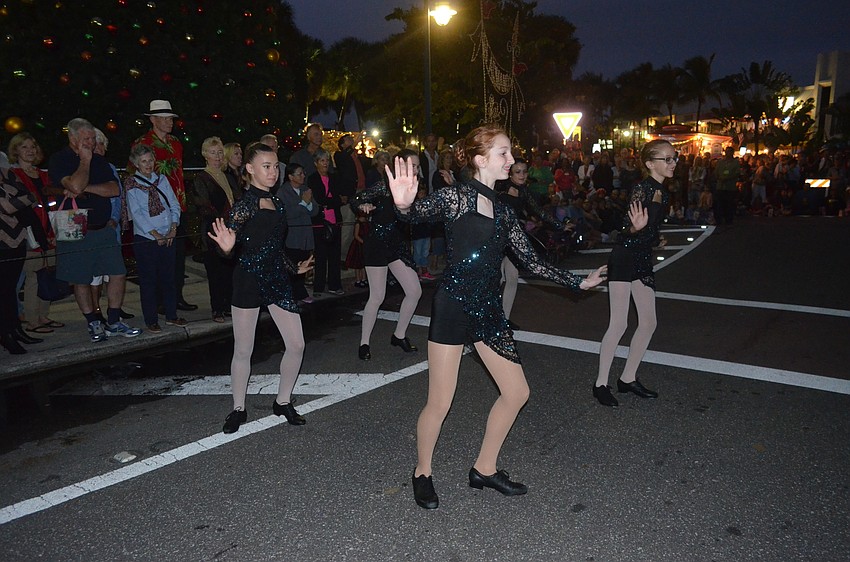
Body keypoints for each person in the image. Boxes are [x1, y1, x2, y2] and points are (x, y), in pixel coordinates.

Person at [387, 125, 607, 509]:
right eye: (503, 153)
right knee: (440, 402)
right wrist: (403, 205)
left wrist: (576, 282)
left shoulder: (504, 210)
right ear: (479, 159)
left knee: (518, 392)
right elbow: (415, 214)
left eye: (510, 153)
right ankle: (422, 471)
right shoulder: (455, 197)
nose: (511, 160)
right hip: (454, 306)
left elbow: (530, 259)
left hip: (488, 310)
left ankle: (484, 468)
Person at [207, 143, 314, 434]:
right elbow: (226, 241)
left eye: (275, 166)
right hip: (248, 279)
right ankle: (238, 408)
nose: (273, 172)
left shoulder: (278, 204)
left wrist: (294, 269)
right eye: (266, 166)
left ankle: (283, 401)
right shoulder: (245, 205)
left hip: (276, 278)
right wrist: (226, 250)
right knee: (243, 349)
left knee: (297, 344)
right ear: (250, 170)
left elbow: (275, 248)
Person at [593, 139, 672, 408]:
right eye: (667, 159)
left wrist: (654, 237)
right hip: (624, 256)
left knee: (649, 322)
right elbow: (626, 228)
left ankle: (627, 378)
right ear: (650, 164)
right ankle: (600, 383)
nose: (673, 163)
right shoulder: (642, 188)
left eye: (674, 159)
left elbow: (651, 225)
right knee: (619, 323)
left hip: (642, 258)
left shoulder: (664, 190)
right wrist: (637, 230)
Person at [48, 118, 141, 342]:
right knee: (81, 278)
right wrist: (85, 162)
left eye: (92, 138)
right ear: (72, 138)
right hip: (75, 226)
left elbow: (112, 189)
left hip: (103, 227)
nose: (91, 142)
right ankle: (93, 322)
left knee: (117, 272)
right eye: (86, 139)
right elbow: (75, 185)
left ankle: (115, 319)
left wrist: (84, 188)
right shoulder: (60, 159)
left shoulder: (99, 161)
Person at [351, 148, 423, 361]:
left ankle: (399, 335)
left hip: (396, 245)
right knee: (377, 296)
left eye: (418, 166)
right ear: (400, 166)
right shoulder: (385, 186)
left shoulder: (414, 187)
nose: (416, 170)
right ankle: (364, 342)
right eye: (413, 165)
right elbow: (356, 198)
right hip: (377, 244)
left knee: (414, 291)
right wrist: (362, 204)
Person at [131, 100, 196, 311]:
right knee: (155, 259)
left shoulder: (176, 142)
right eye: (166, 119)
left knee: (177, 256)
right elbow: (136, 176)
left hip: (177, 205)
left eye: (171, 119)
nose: (170, 123)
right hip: (155, 209)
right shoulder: (142, 143)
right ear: (153, 120)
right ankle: (158, 302)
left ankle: (175, 297)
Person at [494, 158, 566, 328]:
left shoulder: (524, 191)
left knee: (512, 278)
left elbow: (539, 211)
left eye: (524, 171)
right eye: (518, 172)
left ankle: (503, 319)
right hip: (496, 239)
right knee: (494, 280)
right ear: (510, 173)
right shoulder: (499, 187)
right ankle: (489, 318)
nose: (522, 175)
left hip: (513, 239)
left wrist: (560, 225)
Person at [125, 144, 187, 333]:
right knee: (149, 280)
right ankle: (151, 319)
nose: (148, 164)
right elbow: (136, 213)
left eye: (150, 160)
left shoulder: (162, 180)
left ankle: (171, 315)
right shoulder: (132, 184)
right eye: (144, 161)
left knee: (169, 278)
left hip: (168, 235)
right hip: (146, 239)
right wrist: (155, 234)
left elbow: (174, 204)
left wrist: (173, 228)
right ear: (136, 164)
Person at [7, 133, 64, 335]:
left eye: (33, 146)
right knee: (33, 277)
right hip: (30, 233)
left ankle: (43, 315)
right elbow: (22, 209)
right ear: (16, 151)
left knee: (47, 273)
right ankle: (32, 320)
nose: (30, 151)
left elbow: (53, 203)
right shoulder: (13, 175)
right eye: (24, 147)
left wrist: (53, 231)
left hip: (50, 231)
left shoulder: (44, 174)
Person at [193, 137, 237, 322]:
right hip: (213, 232)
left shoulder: (228, 176)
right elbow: (203, 206)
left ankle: (228, 306)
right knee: (215, 271)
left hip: (231, 230)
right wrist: (225, 220)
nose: (217, 157)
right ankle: (217, 308)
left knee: (229, 271)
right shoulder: (201, 178)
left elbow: (238, 198)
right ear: (205, 155)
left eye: (220, 153)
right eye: (213, 153)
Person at [1, 166, 42, 354]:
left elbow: (30, 195)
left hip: (18, 237)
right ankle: (5, 334)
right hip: (2, 241)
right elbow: (7, 207)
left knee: (9, 290)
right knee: (3, 290)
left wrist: (23, 199)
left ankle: (15, 330)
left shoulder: (6, 171)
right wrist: (23, 199)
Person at [278, 162, 319, 303]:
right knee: (292, 265)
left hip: (306, 234)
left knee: (303, 263)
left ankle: (300, 292)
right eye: (299, 173)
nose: (302, 176)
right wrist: (303, 204)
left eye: (303, 173)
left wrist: (307, 203)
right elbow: (286, 213)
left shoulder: (305, 189)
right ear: (290, 176)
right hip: (292, 235)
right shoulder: (283, 192)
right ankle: (291, 294)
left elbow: (315, 210)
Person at [307, 148, 344, 297]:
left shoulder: (334, 178)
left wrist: (333, 201)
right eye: (322, 160)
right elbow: (320, 198)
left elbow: (338, 199)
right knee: (321, 255)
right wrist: (333, 201)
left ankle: (335, 285)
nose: (325, 163)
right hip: (320, 221)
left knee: (335, 255)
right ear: (316, 163)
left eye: (327, 160)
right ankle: (319, 287)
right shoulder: (313, 179)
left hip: (335, 220)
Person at [714, 146, 741, 225]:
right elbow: (716, 172)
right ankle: (719, 219)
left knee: (729, 204)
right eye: (726, 151)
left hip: (730, 187)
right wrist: (719, 177)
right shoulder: (721, 162)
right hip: (720, 186)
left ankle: (728, 219)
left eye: (729, 151)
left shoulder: (735, 162)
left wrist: (728, 178)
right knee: (720, 204)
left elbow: (736, 173)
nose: (727, 153)